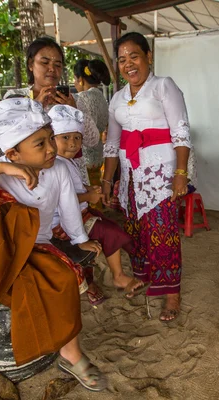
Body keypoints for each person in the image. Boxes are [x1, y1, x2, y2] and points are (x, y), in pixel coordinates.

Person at [0, 98, 107, 391]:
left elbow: (68, 210)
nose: (52, 148)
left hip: (35, 246)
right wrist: (0, 168)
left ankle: (70, 352)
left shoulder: (60, 169)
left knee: (66, 277)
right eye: (40, 144)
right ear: (14, 152)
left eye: (50, 138)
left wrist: (80, 239)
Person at [101, 32, 197, 322]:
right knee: (137, 231)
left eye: (134, 56)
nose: (129, 64)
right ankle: (144, 277)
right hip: (131, 174)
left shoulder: (163, 86)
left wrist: (180, 173)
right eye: (122, 59)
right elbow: (112, 143)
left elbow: (181, 132)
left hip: (161, 173)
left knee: (163, 233)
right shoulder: (117, 98)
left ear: (148, 56)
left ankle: (171, 293)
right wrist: (107, 180)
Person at [49, 105, 148, 305]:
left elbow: (74, 187)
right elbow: (59, 201)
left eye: (77, 138)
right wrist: (87, 196)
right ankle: (117, 276)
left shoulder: (66, 162)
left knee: (112, 230)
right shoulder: (53, 166)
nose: (73, 143)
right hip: (62, 223)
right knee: (109, 232)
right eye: (65, 137)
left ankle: (121, 273)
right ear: (52, 140)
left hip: (79, 213)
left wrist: (88, 189)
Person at [4, 37, 99, 185]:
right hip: (34, 177)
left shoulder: (73, 99)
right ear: (31, 64)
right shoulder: (16, 98)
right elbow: (7, 139)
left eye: (58, 65)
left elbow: (92, 140)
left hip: (72, 176)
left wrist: (75, 111)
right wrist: (36, 106)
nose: (52, 69)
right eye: (45, 62)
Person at [73, 59, 110, 186]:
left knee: (86, 190)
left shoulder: (81, 97)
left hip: (85, 154)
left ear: (81, 79)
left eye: (75, 79)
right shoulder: (101, 97)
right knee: (96, 186)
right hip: (98, 153)